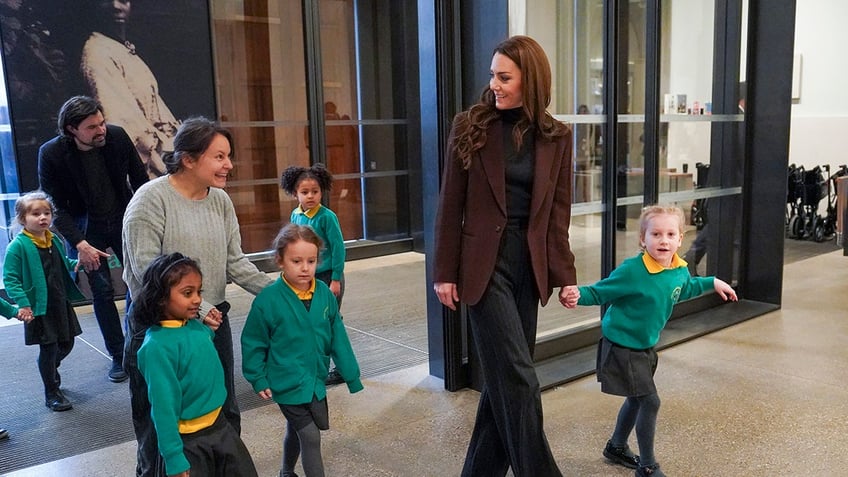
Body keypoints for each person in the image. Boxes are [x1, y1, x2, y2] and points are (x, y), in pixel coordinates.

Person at [433, 35, 577, 476]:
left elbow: (557, 214)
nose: (493, 84)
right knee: (519, 377)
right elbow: (449, 203)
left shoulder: (557, 136)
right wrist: (443, 271)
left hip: (527, 266)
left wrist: (564, 274)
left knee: (502, 383)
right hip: (482, 266)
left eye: (504, 76)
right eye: (492, 74)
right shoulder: (470, 125)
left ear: (529, 80)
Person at [122, 116, 274, 477]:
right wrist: (200, 307)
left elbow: (234, 261)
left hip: (210, 322)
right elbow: (146, 273)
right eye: (219, 156)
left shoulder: (220, 201)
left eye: (229, 156)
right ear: (189, 159)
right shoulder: (150, 200)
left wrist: (281, 295)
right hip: (160, 327)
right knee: (160, 418)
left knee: (221, 409)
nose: (229, 165)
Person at [562, 205, 737, 477]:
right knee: (649, 401)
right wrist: (576, 295)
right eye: (656, 234)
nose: (663, 240)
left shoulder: (678, 269)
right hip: (622, 346)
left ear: (681, 239)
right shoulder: (633, 271)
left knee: (635, 400)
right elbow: (600, 292)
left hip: (645, 346)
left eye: (670, 234)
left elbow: (685, 288)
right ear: (643, 239)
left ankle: (616, 447)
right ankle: (647, 466)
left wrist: (713, 282)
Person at [38, 95, 148, 384]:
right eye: (92, 127)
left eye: (101, 122)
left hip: (123, 218)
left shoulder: (116, 136)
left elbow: (140, 181)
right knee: (101, 291)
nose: (101, 130)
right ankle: (118, 355)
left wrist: (149, 222)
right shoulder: (51, 153)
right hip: (86, 229)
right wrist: (79, 244)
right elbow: (55, 206)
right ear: (72, 129)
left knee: (140, 281)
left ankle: (137, 344)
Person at [241, 223, 363, 477]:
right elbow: (253, 342)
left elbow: (337, 336)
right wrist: (257, 376)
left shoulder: (324, 295)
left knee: (295, 429)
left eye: (311, 260)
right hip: (285, 381)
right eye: (297, 261)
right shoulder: (268, 300)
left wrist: (350, 373)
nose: (305, 268)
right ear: (280, 261)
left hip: (314, 379)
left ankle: (286, 471)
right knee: (310, 435)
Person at [134, 253, 259, 477]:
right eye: (187, 293)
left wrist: (204, 320)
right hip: (190, 442)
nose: (198, 300)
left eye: (199, 292)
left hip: (220, 427)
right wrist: (173, 458)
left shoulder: (194, 327)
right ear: (161, 298)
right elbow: (163, 408)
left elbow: (200, 340)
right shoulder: (156, 348)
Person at [2, 191, 87, 412]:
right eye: (35, 214)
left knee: (67, 343)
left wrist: (76, 263)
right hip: (39, 307)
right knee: (48, 349)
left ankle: (48, 367)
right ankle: (52, 392)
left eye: (46, 213)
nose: (43, 218)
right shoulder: (18, 246)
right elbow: (10, 278)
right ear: (22, 219)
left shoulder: (53, 239)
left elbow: (61, 263)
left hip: (60, 303)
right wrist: (22, 303)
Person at [80, 0, 179, 178]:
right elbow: (124, 124)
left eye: (123, 0)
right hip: (142, 166)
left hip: (161, 158)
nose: (116, 6)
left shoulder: (121, 48)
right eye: (107, 1)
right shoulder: (98, 53)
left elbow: (156, 109)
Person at [280, 163, 347, 386]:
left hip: (328, 277)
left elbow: (338, 248)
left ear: (322, 191)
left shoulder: (327, 217)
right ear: (295, 193)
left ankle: (341, 367)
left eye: (315, 191)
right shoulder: (295, 215)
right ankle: (315, 365)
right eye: (304, 192)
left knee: (329, 322)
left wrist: (336, 278)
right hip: (307, 278)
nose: (310, 196)